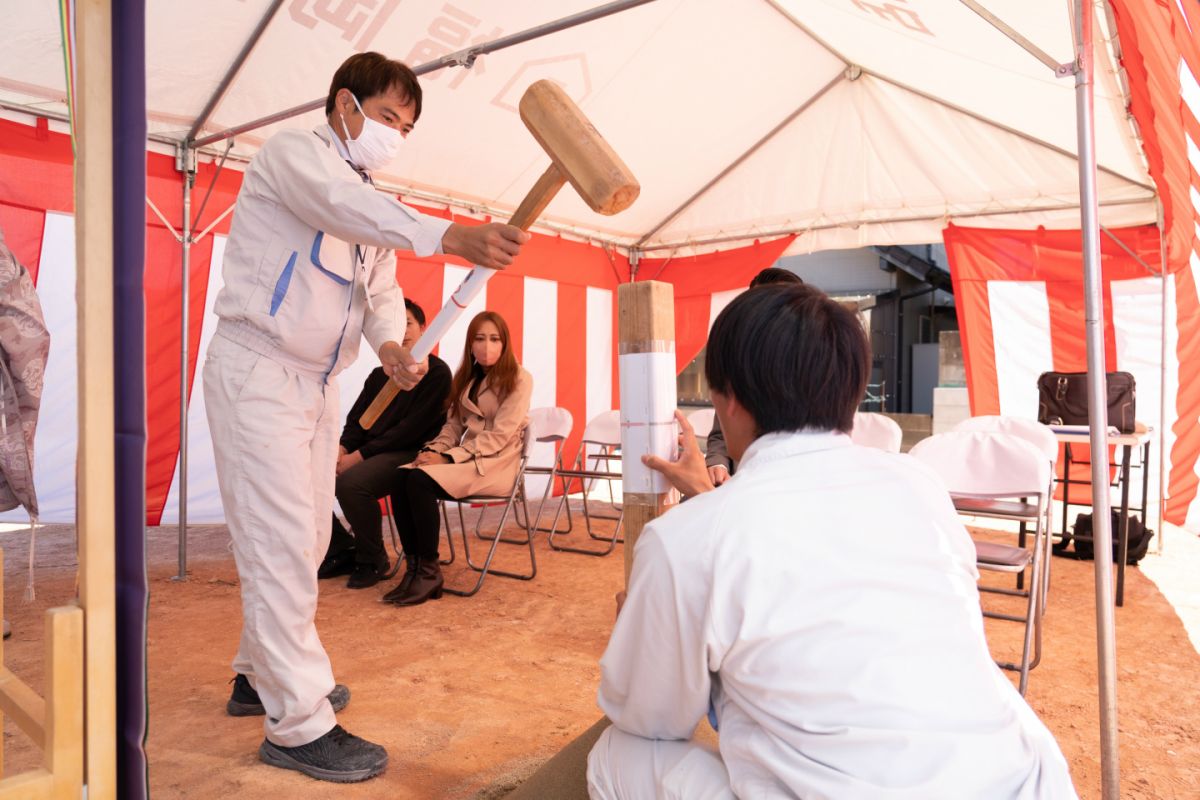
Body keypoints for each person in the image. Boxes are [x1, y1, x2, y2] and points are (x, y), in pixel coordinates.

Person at [587, 284, 1077, 799]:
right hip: (1016, 781)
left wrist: (643, 635)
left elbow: (651, 718)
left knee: (617, 756)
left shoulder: (685, 539)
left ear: (725, 397)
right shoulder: (919, 485)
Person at [204, 51, 528, 783]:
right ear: (345, 105)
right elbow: (341, 209)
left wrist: (389, 345)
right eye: (387, 118)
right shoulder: (296, 156)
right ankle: (298, 722)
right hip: (259, 371)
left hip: (316, 385)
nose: (395, 135)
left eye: (406, 127)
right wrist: (452, 236)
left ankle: (260, 675)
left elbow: (381, 284)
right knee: (283, 539)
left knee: (310, 531)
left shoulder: (366, 195)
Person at [381, 310, 532, 607]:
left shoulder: (519, 378)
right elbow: (452, 427)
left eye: (494, 339)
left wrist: (448, 460)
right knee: (401, 475)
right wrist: (434, 451)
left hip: (497, 464)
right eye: (479, 339)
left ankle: (429, 571)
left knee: (420, 482)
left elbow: (499, 436)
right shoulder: (466, 379)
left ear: (505, 344)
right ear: (470, 344)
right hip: (469, 460)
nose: (487, 346)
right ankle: (414, 569)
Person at [319, 298, 452, 589]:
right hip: (370, 452)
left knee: (351, 484)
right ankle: (342, 549)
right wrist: (340, 450)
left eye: (407, 323)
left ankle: (373, 559)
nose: (402, 331)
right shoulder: (379, 375)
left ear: (423, 328)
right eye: (394, 325)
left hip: (408, 454)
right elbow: (357, 422)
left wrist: (358, 457)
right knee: (308, 477)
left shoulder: (437, 373)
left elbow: (409, 430)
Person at [704, 266, 804, 487]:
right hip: (735, 490)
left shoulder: (815, 377)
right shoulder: (736, 367)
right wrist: (717, 465)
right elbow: (720, 435)